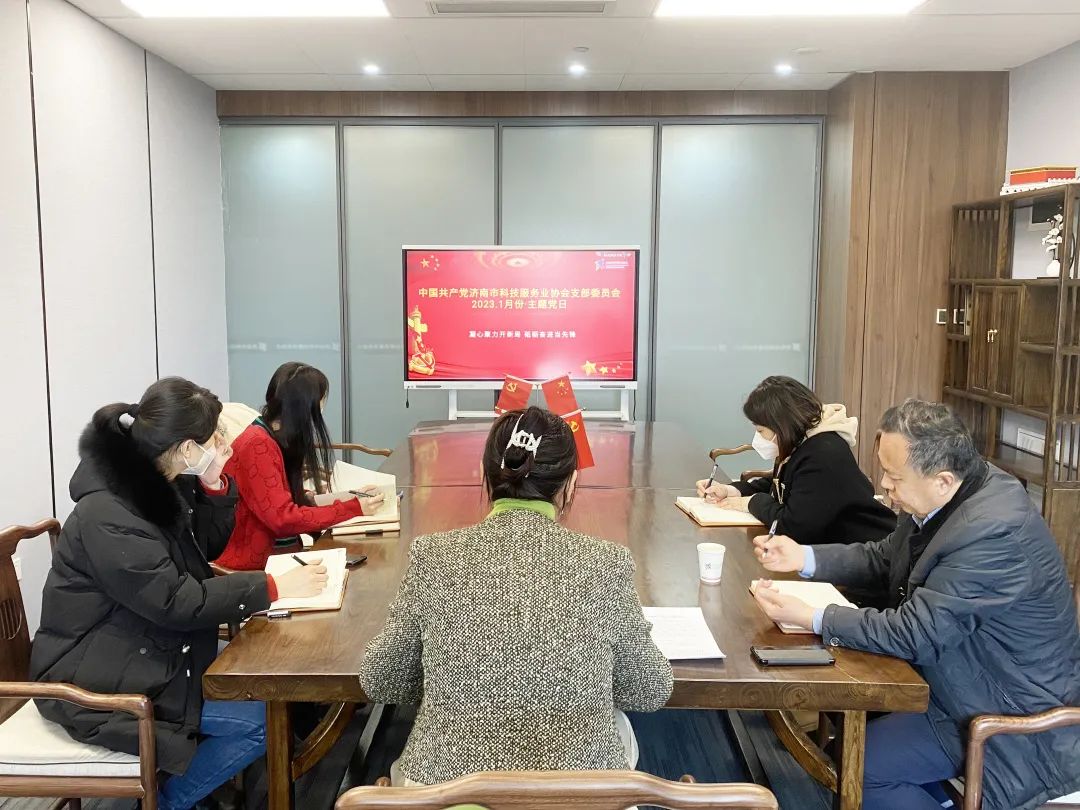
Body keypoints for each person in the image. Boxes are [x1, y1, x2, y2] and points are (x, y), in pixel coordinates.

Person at [751, 398, 1080, 810]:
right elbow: (886, 556)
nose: (884, 486)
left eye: (893, 477)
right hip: (954, 683)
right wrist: (804, 557)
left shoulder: (993, 534)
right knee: (849, 749)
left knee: (859, 768)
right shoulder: (948, 494)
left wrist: (814, 617)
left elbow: (916, 633)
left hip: (1005, 714)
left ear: (942, 480)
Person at [30, 377, 328, 810]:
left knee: (264, 690)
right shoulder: (107, 514)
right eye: (215, 436)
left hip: (141, 646)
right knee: (262, 720)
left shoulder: (156, 481)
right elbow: (175, 601)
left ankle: (191, 783)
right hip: (92, 678)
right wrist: (273, 587)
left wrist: (213, 485)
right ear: (187, 447)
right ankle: (168, 802)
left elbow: (203, 550)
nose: (224, 442)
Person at [359, 406, 673, 786]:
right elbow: (648, 688)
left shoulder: (433, 556)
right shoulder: (607, 562)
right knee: (617, 725)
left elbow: (381, 678)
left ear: (485, 473)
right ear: (571, 482)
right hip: (578, 795)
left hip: (448, 791)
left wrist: (458, 678)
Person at [216, 361, 385, 570]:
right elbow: (283, 519)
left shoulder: (272, 435)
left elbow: (279, 498)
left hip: (279, 557)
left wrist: (349, 498)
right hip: (255, 568)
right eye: (319, 404)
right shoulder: (258, 445)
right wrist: (353, 508)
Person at [697, 376, 895, 545]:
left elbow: (793, 527)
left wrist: (751, 502)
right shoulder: (801, 442)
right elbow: (781, 484)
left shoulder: (823, 453)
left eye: (761, 431)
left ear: (782, 426)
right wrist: (732, 490)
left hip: (867, 554)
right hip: (835, 551)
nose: (758, 438)